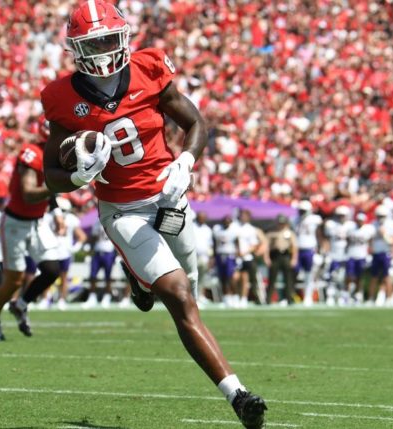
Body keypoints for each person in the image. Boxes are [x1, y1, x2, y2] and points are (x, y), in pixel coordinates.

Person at [40, 2, 266, 426]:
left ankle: (139, 282)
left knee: (189, 288)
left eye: (109, 38)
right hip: (122, 210)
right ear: (76, 48)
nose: (105, 48)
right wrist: (76, 179)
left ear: (124, 36)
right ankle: (239, 396)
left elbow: (195, 123)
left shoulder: (149, 68)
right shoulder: (61, 97)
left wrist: (185, 162)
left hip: (169, 198)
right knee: (180, 297)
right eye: (94, 42)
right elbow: (50, 174)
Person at [0, 125, 62, 340]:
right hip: (15, 222)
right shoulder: (32, 153)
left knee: (52, 269)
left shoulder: (59, 152)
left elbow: (50, 184)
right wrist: (64, 183)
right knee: (14, 280)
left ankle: (21, 304)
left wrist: (57, 212)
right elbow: (28, 193)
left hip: (38, 221)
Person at [51, 198, 86, 310]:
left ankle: (62, 299)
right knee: (48, 276)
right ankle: (46, 298)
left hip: (64, 252)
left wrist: (75, 247)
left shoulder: (71, 219)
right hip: (53, 250)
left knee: (64, 277)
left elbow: (82, 236)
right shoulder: (50, 218)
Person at [322, 206, 353, 306]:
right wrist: (326, 252)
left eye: (343, 215)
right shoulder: (331, 225)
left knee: (343, 277)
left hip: (345, 255)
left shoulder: (351, 226)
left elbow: (352, 241)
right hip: (334, 254)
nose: (341, 217)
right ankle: (330, 296)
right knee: (332, 277)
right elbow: (327, 239)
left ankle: (343, 296)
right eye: (340, 215)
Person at [295, 200, 323, 306]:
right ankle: (294, 296)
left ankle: (308, 296)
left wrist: (320, 249)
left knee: (309, 275)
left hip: (309, 249)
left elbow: (320, 234)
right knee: (296, 273)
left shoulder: (314, 219)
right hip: (297, 250)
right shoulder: (295, 219)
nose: (301, 212)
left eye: (303, 210)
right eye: (300, 210)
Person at [265, 215, 297, 306]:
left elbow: (294, 247)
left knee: (288, 279)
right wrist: (267, 258)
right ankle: (268, 299)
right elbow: (267, 247)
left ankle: (289, 299)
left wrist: (294, 259)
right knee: (272, 279)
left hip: (286, 256)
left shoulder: (290, 233)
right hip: (275, 256)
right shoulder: (272, 233)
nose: (281, 225)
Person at [85, 221, 117, 308]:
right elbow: (94, 237)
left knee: (108, 276)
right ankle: (92, 297)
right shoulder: (96, 222)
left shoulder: (112, 221)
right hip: (97, 251)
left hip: (109, 252)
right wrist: (88, 245)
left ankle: (107, 296)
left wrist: (117, 253)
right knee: (92, 276)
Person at [369, 205, 393, 306]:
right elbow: (370, 240)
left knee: (387, 276)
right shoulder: (373, 224)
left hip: (386, 253)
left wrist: (384, 235)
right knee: (374, 276)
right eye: (379, 216)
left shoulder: (391, 225)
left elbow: (392, 241)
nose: (381, 218)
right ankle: (371, 297)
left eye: (383, 216)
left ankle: (389, 298)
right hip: (376, 253)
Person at [346, 213, 375, 304]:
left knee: (360, 277)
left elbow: (370, 242)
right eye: (358, 220)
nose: (360, 222)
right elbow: (348, 241)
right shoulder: (351, 229)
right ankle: (348, 293)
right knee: (350, 276)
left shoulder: (368, 230)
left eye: (361, 221)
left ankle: (358, 294)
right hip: (352, 254)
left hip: (362, 255)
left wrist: (370, 253)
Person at [212, 215, 240, 306]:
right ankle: (226, 298)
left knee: (230, 277)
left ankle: (235, 297)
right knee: (222, 277)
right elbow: (215, 244)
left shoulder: (234, 231)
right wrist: (214, 256)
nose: (226, 223)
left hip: (230, 255)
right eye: (225, 221)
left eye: (228, 221)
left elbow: (237, 244)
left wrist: (238, 256)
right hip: (220, 255)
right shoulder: (217, 230)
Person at [236, 209, 260, 308]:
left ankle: (244, 298)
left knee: (245, 279)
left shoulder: (250, 229)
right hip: (236, 257)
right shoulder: (236, 227)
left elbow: (254, 245)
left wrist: (244, 253)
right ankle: (236, 297)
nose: (243, 217)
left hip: (246, 257)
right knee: (236, 278)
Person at [192, 211, 214, 304]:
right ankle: (192, 296)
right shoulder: (191, 226)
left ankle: (200, 295)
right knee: (192, 276)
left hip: (204, 257)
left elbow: (210, 245)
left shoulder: (208, 230)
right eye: (200, 217)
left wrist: (210, 258)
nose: (202, 219)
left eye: (204, 217)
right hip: (192, 256)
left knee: (202, 277)